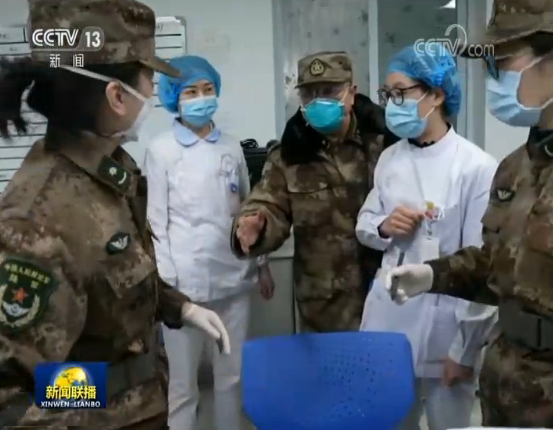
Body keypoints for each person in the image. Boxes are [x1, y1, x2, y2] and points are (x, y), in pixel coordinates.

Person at [0, 1, 231, 428]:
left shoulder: (109, 173)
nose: (153, 93)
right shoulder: (38, 221)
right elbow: (14, 397)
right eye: (149, 80)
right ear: (117, 96)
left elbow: (114, 279)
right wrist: (101, 397)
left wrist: (177, 307)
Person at [384, 1, 553, 427]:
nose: (491, 76)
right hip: (508, 384)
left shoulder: (477, 164)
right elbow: (497, 265)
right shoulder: (517, 168)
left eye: (502, 60)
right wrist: (432, 274)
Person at [355, 44, 498, 430]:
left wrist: (465, 351)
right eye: (387, 94)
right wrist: (385, 226)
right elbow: (365, 224)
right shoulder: (390, 158)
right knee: (387, 421)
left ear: (436, 95)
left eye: (400, 93)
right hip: (389, 318)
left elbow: (481, 265)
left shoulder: (476, 167)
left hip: (446, 329)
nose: (391, 104)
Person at [145, 55, 274, 430]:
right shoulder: (161, 150)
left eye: (207, 89)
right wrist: (167, 286)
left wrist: (262, 265)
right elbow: (156, 222)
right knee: (182, 385)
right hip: (184, 287)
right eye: (191, 92)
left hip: (234, 280)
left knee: (231, 377)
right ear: (174, 98)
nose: (201, 98)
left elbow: (249, 210)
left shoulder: (230, 147)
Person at [230, 51, 399, 332]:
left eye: (330, 91)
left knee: (387, 360)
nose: (319, 101)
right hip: (324, 304)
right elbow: (268, 203)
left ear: (351, 92)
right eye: (309, 94)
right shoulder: (289, 155)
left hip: (385, 290)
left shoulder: (385, 144)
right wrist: (254, 226)